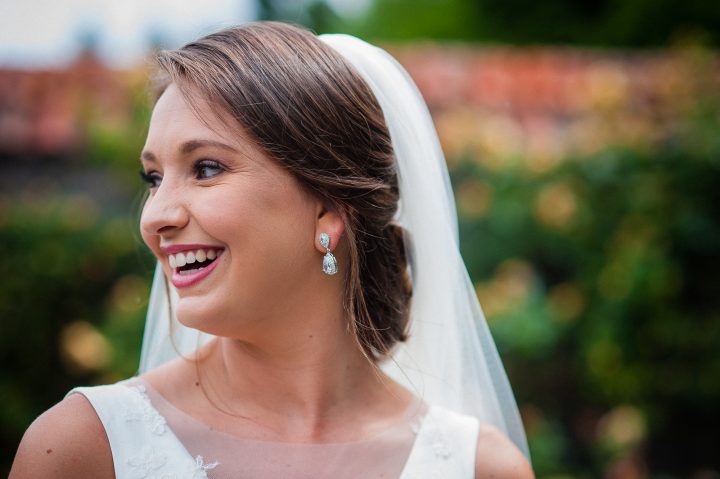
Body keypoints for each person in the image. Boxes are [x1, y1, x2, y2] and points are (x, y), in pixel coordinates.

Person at [10, 22, 534, 478]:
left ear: (329, 208)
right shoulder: (82, 449)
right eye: (153, 177)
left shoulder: (477, 468)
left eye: (206, 168)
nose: (155, 217)